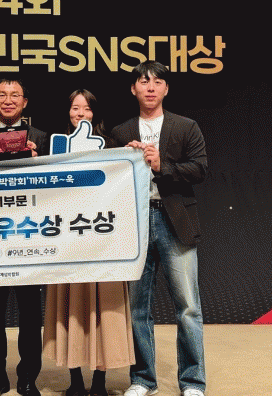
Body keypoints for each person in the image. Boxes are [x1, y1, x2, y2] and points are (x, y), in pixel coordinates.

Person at [111, 61, 207, 396]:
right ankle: (142, 380)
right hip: (135, 224)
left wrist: (161, 165)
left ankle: (192, 382)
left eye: (157, 82)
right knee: (137, 308)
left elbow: (200, 169)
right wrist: (122, 161)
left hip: (175, 221)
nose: (150, 88)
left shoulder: (185, 126)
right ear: (133, 89)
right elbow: (108, 180)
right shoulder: (121, 131)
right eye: (143, 81)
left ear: (166, 89)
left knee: (188, 307)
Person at [42, 89, 135, 396]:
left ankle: (99, 382)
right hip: (67, 241)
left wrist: (133, 154)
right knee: (70, 308)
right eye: (74, 108)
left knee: (102, 309)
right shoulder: (55, 145)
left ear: (95, 113)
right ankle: (75, 381)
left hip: (103, 242)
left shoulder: (110, 145)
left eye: (86, 108)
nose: (80, 113)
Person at [0, 78, 48, 396]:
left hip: (29, 234)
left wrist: (39, 161)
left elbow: (57, 183)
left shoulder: (41, 138)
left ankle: (28, 378)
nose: (8, 100)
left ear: (25, 102)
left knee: (31, 313)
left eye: (15, 95)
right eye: (2, 95)